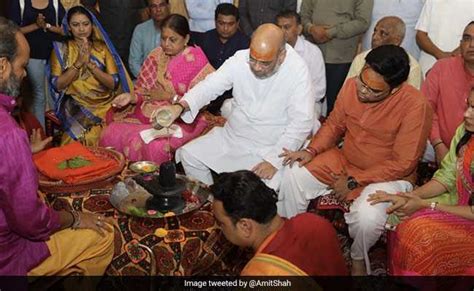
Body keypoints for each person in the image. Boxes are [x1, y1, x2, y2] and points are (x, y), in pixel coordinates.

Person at [278, 45, 432, 275]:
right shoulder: (352, 86)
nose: (363, 92)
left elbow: (404, 163)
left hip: (390, 176)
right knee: (293, 174)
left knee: (367, 217)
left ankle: (358, 256)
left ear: (395, 89)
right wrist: (311, 151)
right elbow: (334, 124)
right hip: (345, 160)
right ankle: (295, 238)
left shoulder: (416, 106)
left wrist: (353, 181)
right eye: (363, 82)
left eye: (374, 91)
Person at [0, 17, 114, 276]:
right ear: (2, 66)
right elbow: (30, 222)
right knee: (104, 236)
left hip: (99, 108)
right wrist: (74, 218)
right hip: (9, 257)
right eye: (22, 66)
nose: (24, 74)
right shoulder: (7, 133)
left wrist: (22, 155)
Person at [156, 24, 314, 190]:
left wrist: (274, 161)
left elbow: (301, 122)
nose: (257, 67)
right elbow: (210, 85)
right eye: (253, 60)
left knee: (262, 188)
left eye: (265, 63)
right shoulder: (241, 58)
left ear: (281, 56)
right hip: (234, 136)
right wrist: (180, 106)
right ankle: (212, 199)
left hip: (270, 144)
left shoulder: (297, 70)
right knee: (189, 156)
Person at [368, 88, 474, 275]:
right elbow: (447, 177)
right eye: (468, 105)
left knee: (421, 233)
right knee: (403, 214)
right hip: (459, 201)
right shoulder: (465, 132)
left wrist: (425, 204)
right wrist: (410, 196)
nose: (467, 113)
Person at [100, 14, 214, 164]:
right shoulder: (156, 55)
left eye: (172, 40)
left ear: (186, 39)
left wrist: (168, 97)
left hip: (181, 117)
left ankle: (154, 182)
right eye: (163, 38)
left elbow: (201, 101)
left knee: (155, 146)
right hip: (147, 112)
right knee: (110, 133)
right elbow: (144, 90)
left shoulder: (196, 60)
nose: (166, 44)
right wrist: (131, 97)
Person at [211, 170, 348, 276]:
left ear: (245, 226)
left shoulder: (259, 273)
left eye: (221, 223)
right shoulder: (313, 221)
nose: (219, 228)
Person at [49, 6, 132, 146]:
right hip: (76, 104)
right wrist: (79, 63)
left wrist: (91, 66)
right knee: (79, 139)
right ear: (68, 27)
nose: (81, 29)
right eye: (75, 25)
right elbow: (57, 85)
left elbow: (114, 83)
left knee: (112, 134)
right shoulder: (61, 49)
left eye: (85, 24)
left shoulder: (102, 48)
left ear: (92, 26)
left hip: (105, 104)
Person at [300, 0, 373, 115]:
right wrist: (310, 29)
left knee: (336, 107)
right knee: (305, 101)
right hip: (312, 54)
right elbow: (303, 16)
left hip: (341, 57)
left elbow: (363, 22)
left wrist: (330, 32)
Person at [422, 21, 474, 165]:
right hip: (437, 145)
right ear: (460, 44)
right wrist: (438, 144)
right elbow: (426, 109)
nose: (472, 45)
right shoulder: (442, 67)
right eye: (467, 38)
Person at [9, 0, 66, 128]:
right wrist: (36, 25)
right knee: (39, 94)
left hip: (55, 54)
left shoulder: (55, 2)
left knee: (55, 93)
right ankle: (41, 132)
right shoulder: (20, 3)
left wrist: (47, 26)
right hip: (32, 55)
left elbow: (65, 30)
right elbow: (13, 31)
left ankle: (57, 130)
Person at [194, 3, 249, 115]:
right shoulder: (205, 39)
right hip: (205, 97)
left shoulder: (246, 45)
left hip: (232, 100)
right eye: (221, 23)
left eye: (230, 24)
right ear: (215, 22)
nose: (225, 28)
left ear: (237, 23)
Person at [276, 10, 325, 125]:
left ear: (299, 29)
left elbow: (319, 90)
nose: (282, 32)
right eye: (279, 27)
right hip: (276, 100)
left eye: (286, 27)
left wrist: (292, 101)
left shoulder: (313, 52)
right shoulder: (272, 48)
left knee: (306, 122)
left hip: (307, 102)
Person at [346, 16, 422, 89]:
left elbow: (410, 99)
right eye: (375, 31)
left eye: (383, 33)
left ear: (397, 41)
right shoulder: (361, 59)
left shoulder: (412, 67)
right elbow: (347, 90)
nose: (375, 37)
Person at [80, 0, 148, 70]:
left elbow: (148, 7)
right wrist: (100, 23)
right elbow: (87, 5)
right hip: (109, 39)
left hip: (134, 38)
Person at [415, 0, 474, 76]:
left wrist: (450, 57)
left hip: (460, 65)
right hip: (428, 63)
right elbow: (420, 35)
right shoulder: (431, 1)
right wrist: (440, 55)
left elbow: (470, 38)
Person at [129, 0, 170, 79]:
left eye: (162, 5)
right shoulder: (140, 30)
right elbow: (134, 63)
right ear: (149, 10)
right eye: (154, 6)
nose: (158, 10)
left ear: (168, 6)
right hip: (145, 80)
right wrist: (148, 79)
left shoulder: (177, 28)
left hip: (171, 82)